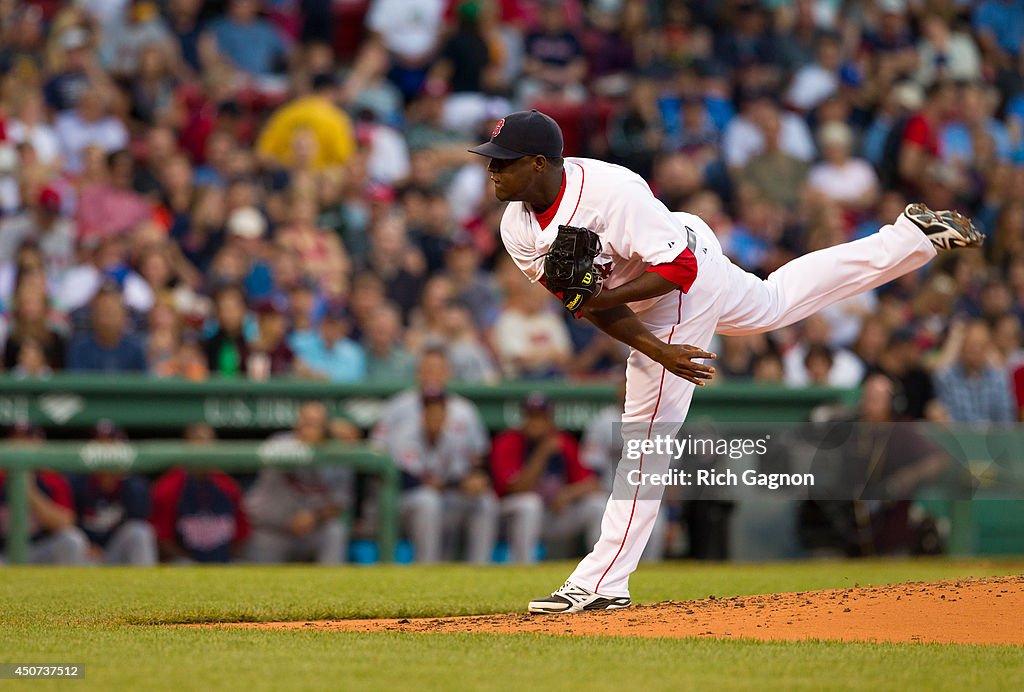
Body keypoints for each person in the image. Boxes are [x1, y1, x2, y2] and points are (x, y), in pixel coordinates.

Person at [468, 109, 984, 613]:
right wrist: (641, 337)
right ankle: (910, 238)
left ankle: (601, 581)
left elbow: (681, 270)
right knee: (773, 304)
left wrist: (642, 333)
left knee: (646, 439)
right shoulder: (516, 228)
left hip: (679, 280)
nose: (492, 170)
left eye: (502, 161)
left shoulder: (610, 193)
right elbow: (583, 306)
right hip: (669, 269)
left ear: (538, 163)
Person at [373, 388, 496, 564]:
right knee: (427, 499)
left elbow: (459, 475)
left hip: (442, 500)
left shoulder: (453, 439)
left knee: (484, 501)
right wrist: (440, 484)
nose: (435, 415)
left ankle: (479, 567)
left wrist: (472, 481)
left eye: (440, 411)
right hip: (404, 502)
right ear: (422, 414)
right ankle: (426, 565)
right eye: (430, 410)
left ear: (446, 415)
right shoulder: (405, 436)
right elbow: (403, 477)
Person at [491, 393, 607, 563]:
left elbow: (593, 484)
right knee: (530, 504)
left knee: (597, 505)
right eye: (532, 417)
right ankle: (523, 567)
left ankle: (600, 570)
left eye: (542, 418)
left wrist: (569, 494)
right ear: (523, 418)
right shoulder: (508, 441)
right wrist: (542, 454)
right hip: (510, 517)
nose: (536, 423)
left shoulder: (564, 442)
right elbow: (516, 490)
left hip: (552, 514)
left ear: (551, 420)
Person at [244, 402, 350, 564]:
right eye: (305, 422)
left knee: (334, 532)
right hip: (272, 531)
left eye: (315, 424)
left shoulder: (337, 453)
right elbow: (284, 453)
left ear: (325, 427)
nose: (308, 428)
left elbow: (339, 502)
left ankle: (333, 584)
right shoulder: (279, 442)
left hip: (312, 531)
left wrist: (314, 516)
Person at [70, 421, 157, 565]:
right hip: (87, 554)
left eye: (111, 444)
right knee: (71, 541)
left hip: (116, 552)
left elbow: (139, 517)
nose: (106, 451)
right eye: (100, 444)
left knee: (139, 531)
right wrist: (86, 544)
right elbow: (67, 523)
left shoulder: (134, 484)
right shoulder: (76, 482)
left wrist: (120, 479)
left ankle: (146, 585)